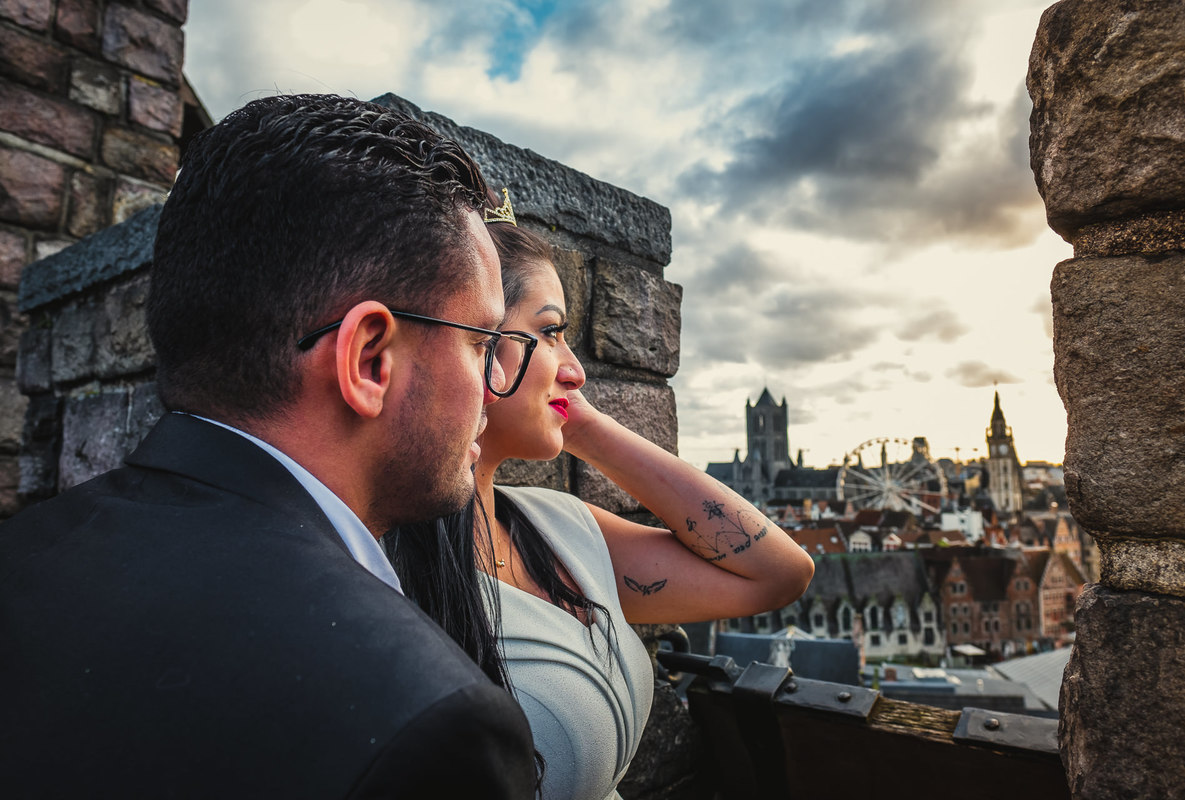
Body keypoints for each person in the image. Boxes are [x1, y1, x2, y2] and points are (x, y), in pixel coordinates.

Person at [0, 95, 537, 798]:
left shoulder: (24, 551)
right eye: (481, 343)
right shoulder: (428, 719)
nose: (495, 389)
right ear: (370, 360)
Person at [388, 191, 816, 800]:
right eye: (551, 333)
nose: (575, 368)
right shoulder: (384, 567)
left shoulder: (560, 526)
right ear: (475, 340)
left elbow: (778, 574)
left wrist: (584, 425)